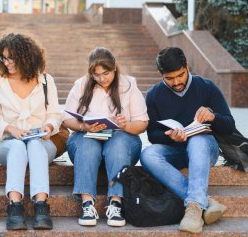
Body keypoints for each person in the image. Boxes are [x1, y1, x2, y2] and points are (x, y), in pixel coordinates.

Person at [140, 47, 234, 234]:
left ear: (187, 67)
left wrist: (213, 116)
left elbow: (229, 125)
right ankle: (202, 201)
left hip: (205, 149)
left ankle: (193, 210)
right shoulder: (153, 95)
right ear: (162, 75)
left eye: (180, 75)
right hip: (176, 149)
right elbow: (152, 135)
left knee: (198, 140)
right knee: (148, 154)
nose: (176, 82)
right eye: (169, 78)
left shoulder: (206, 87)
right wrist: (171, 136)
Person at [63, 47, 149, 227]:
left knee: (117, 144)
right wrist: (84, 126)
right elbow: (66, 118)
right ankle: (87, 204)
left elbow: (142, 123)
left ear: (115, 68)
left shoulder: (129, 85)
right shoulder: (81, 84)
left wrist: (126, 125)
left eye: (106, 73)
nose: (102, 79)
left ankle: (116, 203)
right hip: (87, 138)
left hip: (121, 142)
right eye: (96, 75)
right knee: (88, 144)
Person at [0, 33, 61, 230]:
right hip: (9, 144)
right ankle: (14, 206)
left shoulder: (45, 80)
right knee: (18, 147)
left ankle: (41, 206)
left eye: (12, 58)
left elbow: (55, 113)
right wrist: (11, 129)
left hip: (42, 141)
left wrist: (49, 127)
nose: (7, 62)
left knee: (35, 145)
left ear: (27, 57)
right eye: (4, 57)